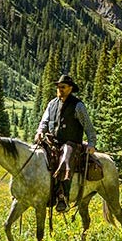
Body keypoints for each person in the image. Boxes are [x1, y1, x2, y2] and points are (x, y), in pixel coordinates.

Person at [34, 74, 97, 212]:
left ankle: (63, 197)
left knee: (66, 158)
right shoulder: (52, 104)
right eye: (58, 87)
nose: (59, 89)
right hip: (53, 141)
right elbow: (44, 121)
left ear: (70, 88)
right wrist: (40, 132)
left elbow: (88, 126)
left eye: (62, 87)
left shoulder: (78, 106)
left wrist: (91, 143)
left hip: (71, 143)